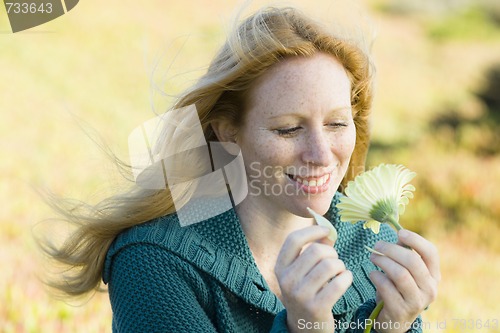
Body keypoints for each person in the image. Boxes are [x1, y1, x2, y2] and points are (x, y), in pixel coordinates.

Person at [38, 5, 440, 333]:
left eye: (337, 123)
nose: (321, 154)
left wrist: (393, 325)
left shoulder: (376, 243)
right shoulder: (153, 262)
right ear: (227, 131)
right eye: (288, 129)